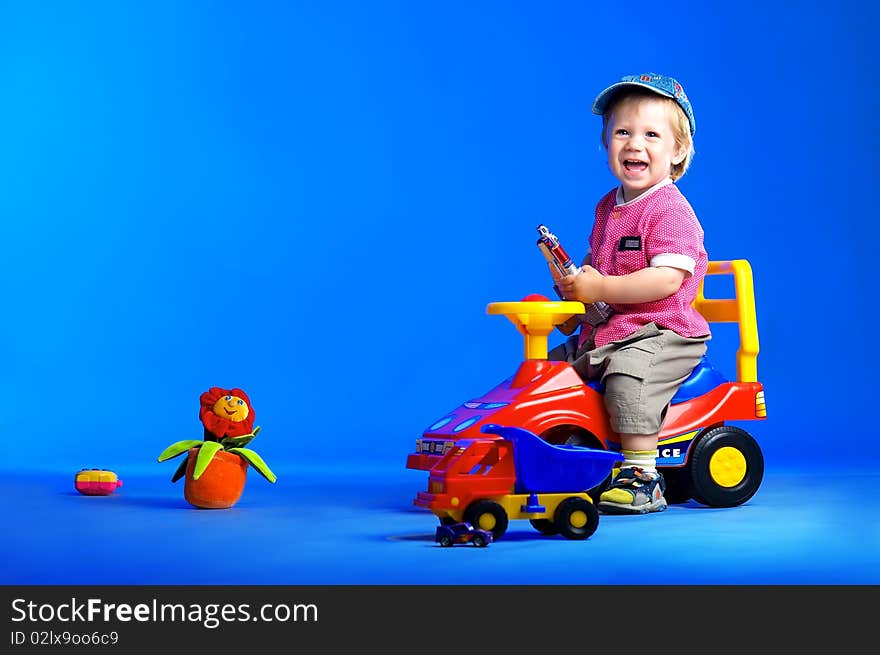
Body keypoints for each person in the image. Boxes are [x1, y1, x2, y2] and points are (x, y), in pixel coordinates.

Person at [549, 73, 710, 514]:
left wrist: (600, 286)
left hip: (661, 332)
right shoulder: (607, 207)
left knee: (628, 380)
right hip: (612, 328)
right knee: (554, 370)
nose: (635, 144)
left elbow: (666, 281)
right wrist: (576, 297)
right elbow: (596, 268)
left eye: (651, 135)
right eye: (623, 132)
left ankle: (643, 476)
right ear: (606, 144)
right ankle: (557, 454)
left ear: (677, 151)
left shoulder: (670, 209)